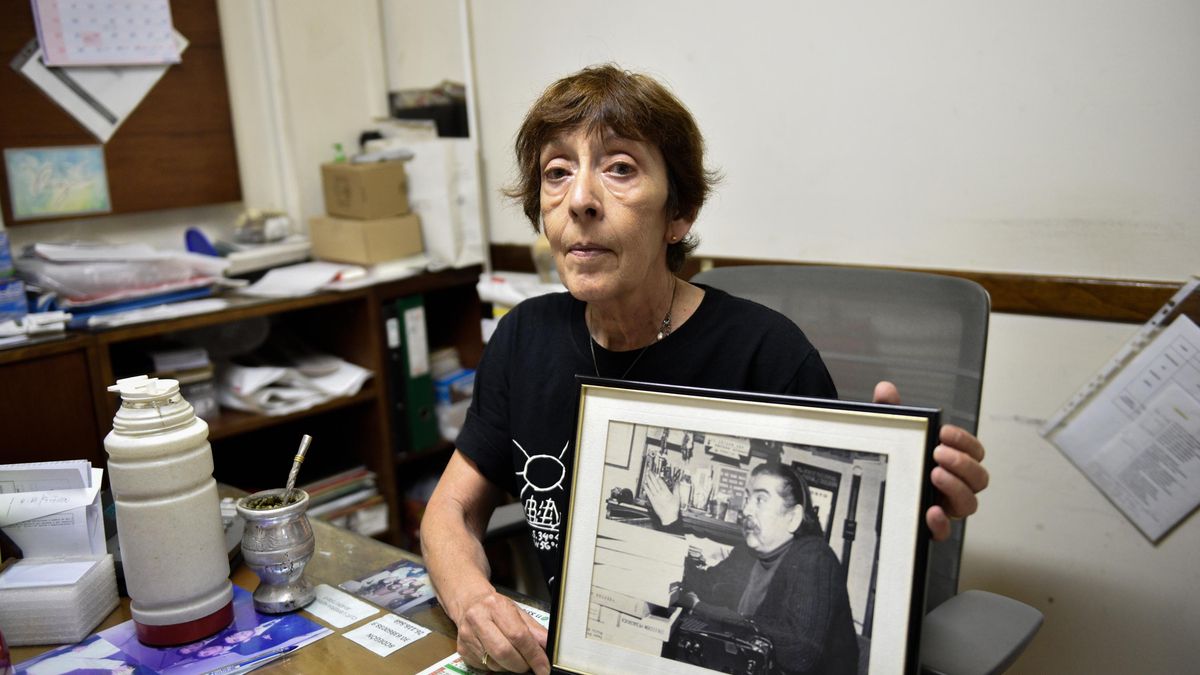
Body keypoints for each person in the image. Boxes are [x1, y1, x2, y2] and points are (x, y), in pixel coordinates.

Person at [421, 64, 989, 675]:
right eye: (557, 173)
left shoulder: (769, 354)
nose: (580, 200)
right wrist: (474, 601)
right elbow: (447, 512)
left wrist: (905, 491)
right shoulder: (522, 338)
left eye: (619, 168)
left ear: (679, 214)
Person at [646, 464, 858, 675]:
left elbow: (799, 652)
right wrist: (670, 521)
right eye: (747, 499)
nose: (746, 510)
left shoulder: (815, 558)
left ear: (792, 518)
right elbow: (699, 584)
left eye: (760, 500)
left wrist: (701, 608)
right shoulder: (748, 553)